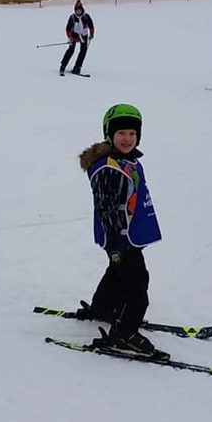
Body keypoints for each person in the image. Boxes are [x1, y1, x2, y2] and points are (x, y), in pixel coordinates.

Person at [77, 104, 168, 359]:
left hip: (128, 235)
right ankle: (125, 332)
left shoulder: (126, 160)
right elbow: (108, 208)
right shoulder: (110, 167)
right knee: (137, 284)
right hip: (120, 238)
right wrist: (117, 244)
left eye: (132, 133)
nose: (127, 139)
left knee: (117, 275)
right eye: (121, 134)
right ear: (109, 135)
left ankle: (104, 307)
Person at [60, 0, 95, 76]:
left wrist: (91, 34)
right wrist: (70, 37)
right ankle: (63, 66)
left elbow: (91, 26)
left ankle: (77, 67)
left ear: (82, 10)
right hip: (74, 36)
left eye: (79, 10)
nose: (78, 12)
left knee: (83, 51)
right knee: (71, 50)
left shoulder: (86, 17)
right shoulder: (72, 18)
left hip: (84, 36)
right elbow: (68, 29)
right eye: (77, 11)